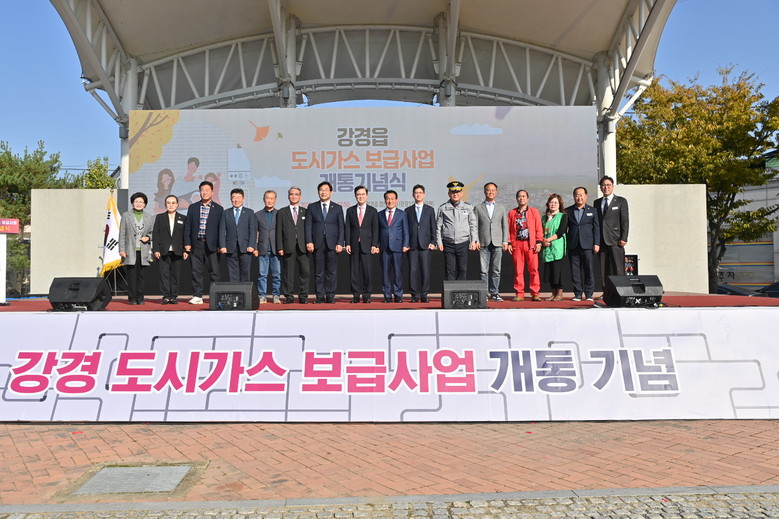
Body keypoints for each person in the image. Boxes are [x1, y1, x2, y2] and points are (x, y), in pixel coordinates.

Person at [184, 180, 224, 304]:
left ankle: (216, 295)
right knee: (196, 271)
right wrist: (187, 243)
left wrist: (220, 245)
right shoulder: (193, 207)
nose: (205, 192)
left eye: (207, 190)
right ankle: (197, 295)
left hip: (212, 245)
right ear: (199, 192)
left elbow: (221, 229)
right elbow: (188, 226)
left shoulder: (219, 209)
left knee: (214, 272)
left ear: (212, 192)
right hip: (196, 243)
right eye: (202, 190)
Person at [305, 181, 344, 303]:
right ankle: (320, 296)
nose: (323, 192)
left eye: (326, 190)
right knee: (318, 272)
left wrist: (340, 243)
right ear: (318, 192)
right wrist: (309, 241)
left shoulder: (337, 208)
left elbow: (341, 226)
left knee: (331, 272)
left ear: (331, 192)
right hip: (317, 243)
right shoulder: (312, 207)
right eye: (321, 190)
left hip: (332, 244)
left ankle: (330, 296)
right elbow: (308, 226)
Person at [436, 180, 478, 280]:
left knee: (462, 269)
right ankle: (450, 290)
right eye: (453, 192)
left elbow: (473, 225)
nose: (455, 194)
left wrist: (474, 240)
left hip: (463, 243)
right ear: (449, 193)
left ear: (462, 193)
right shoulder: (443, 208)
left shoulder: (468, 207)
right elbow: (438, 227)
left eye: (457, 192)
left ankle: (461, 289)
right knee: (449, 269)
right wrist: (439, 242)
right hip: (448, 243)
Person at [118, 192, 155, 305]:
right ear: (132, 203)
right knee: (131, 276)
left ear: (145, 204)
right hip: (130, 250)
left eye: (141, 202)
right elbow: (122, 233)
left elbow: (153, 232)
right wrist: (122, 249)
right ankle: (132, 297)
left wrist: (148, 237)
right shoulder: (126, 216)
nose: (139, 204)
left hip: (143, 251)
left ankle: (140, 297)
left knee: (141, 276)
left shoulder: (149, 217)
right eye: (136, 201)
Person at [565, 187, 600, 301]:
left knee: (589, 270)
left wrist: (596, 243)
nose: (579, 197)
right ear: (573, 196)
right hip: (573, 244)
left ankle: (589, 294)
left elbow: (596, 228)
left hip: (588, 245)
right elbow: (565, 229)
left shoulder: (592, 210)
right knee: (575, 271)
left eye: (581, 195)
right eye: (576, 195)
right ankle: (578, 294)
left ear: (586, 196)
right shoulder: (568, 211)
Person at [474, 182, 509, 301]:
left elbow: (505, 226)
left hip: (498, 242)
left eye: (493, 190)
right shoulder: (478, 207)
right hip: (483, 242)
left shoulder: (501, 207)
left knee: (496, 270)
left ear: (496, 192)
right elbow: (475, 226)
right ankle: (484, 294)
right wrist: (475, 240)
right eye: (488, 190)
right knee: (483, 271)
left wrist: (505, 241)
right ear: (484, 192)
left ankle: (495, 293)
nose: (491, 192)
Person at [276, 186, 310, 304]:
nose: (294, 196)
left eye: (296, 194)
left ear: (300, 197)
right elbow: (279, 231)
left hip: (303, 247)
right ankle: (289, 296)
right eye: (291, 194)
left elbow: (309, 230)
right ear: (288, 196)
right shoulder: (282, 212)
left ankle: (303, 296)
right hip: (288, 246)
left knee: (305, 272)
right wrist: (280, 247)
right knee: (288, 274)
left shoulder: (305, 211)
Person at [507, 190, 543, 301]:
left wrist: (539, 242)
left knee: (533, 269)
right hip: (517, 244)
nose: (521, 198)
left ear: (528, 198)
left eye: (523, 196)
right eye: (519, 196)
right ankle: (519, 293)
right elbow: (508, 229)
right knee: (518, 270)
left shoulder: (534, 212)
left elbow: (538, 228)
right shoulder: (512, 213)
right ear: (516, 198)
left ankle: (535, 293)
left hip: (530, 244)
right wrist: (509, 242)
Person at [345, 185, 379, 303]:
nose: (361, 196)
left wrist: (374, 244)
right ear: (355, 196)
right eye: (358, 194)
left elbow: (375, 229)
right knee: (354, 272)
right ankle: (355, 295)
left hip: (367, 245)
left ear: (367, 195)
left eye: (363, 194)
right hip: (354, 244)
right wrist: (347, 243)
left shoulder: (373, 211)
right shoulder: (350, 210)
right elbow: (347, 228)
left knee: (367, 271)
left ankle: (367, 295)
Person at [152, 195, 187, 304]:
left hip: (177, 250)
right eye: (168, 203)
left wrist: (185, 250)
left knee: (175, 275)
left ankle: (174, 296)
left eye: (173, 203)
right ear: (165, 204)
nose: (171, 205)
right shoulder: (160, 217)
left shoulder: (183, 218)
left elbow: (185, 235)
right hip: (163, 250)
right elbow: (155, 234)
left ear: (177, 204)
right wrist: (156, 249)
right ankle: (166, 296)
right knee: (164, 274)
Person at [405, 184, 437, 303]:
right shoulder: (408, 210)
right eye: (416, 193)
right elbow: (406, 229)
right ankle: (414, 295)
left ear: (424, 194)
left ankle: (424, 294)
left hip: (425, 245)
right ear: (413, 195)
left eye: (420, 193)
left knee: (425, 271)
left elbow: (433, 227)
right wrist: (406, 243)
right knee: (412, 271)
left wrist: (433, 241)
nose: (418, 195)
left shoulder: (430, 210)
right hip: (412, 245)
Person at [594, 175, 629, 281]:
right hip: (602, 241)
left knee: (618, 269)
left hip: (616, 240)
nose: (606, 187)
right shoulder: (597, 202)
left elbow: (625, 221)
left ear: (613, 186)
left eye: (608, 185)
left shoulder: (621, 201)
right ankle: (606, 290)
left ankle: (621, 289)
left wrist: (624, 238)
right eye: (603, 185)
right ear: (600, 187)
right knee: (603, 270)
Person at [218, 188, 256, 283]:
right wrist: (222, 246)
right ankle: (235, 292)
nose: (236, 200)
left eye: (239, 197)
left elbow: (253, 230)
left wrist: (251, 245)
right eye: (234, 197)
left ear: (243, 199)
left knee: (245, 273)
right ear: (231, 199)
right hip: (230, 247)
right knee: (232, 274)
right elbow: (222, 230)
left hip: (246, 247)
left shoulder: (250, 212)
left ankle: (244, 292)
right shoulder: (226, 213)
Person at [378, 190, 409, 303]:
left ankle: (398, 294)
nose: (390, 201)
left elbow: (405, 230)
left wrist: (406, 244)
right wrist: (377, 245)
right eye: (388, 198)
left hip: (398, 247)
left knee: (397, 272)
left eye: (392, 198)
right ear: (385, 200)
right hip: (384, 247)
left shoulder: (402, 214)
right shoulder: (380, 214)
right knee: (385, 273)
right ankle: (387, 295)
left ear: (396, 200)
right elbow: (377, 231)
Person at [540, 194, 568, 301]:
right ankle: (553, 293)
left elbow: (561, 232)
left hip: (557, 247)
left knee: (558, 271)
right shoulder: (544, 218)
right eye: (551, 202)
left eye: (556, 202)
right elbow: (540, 231)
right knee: (549, 272)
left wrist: (548, 240)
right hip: (547, 248)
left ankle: (559, 293)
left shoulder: (563, 216)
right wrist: (543, 241)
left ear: (559, 204)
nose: (553, 204)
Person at [255, 190, 281, 303]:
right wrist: (255, 247)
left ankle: (276, 295)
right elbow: (254, 233)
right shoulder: (257, 215)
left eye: (272, 198)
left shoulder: (280, 214)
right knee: (262, 274)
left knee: (277, 274)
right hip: (263, 249)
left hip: (276, 249)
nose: (269, 200)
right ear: (263, 199)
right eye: (267, 198)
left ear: (275, 200)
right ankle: (262, 295)